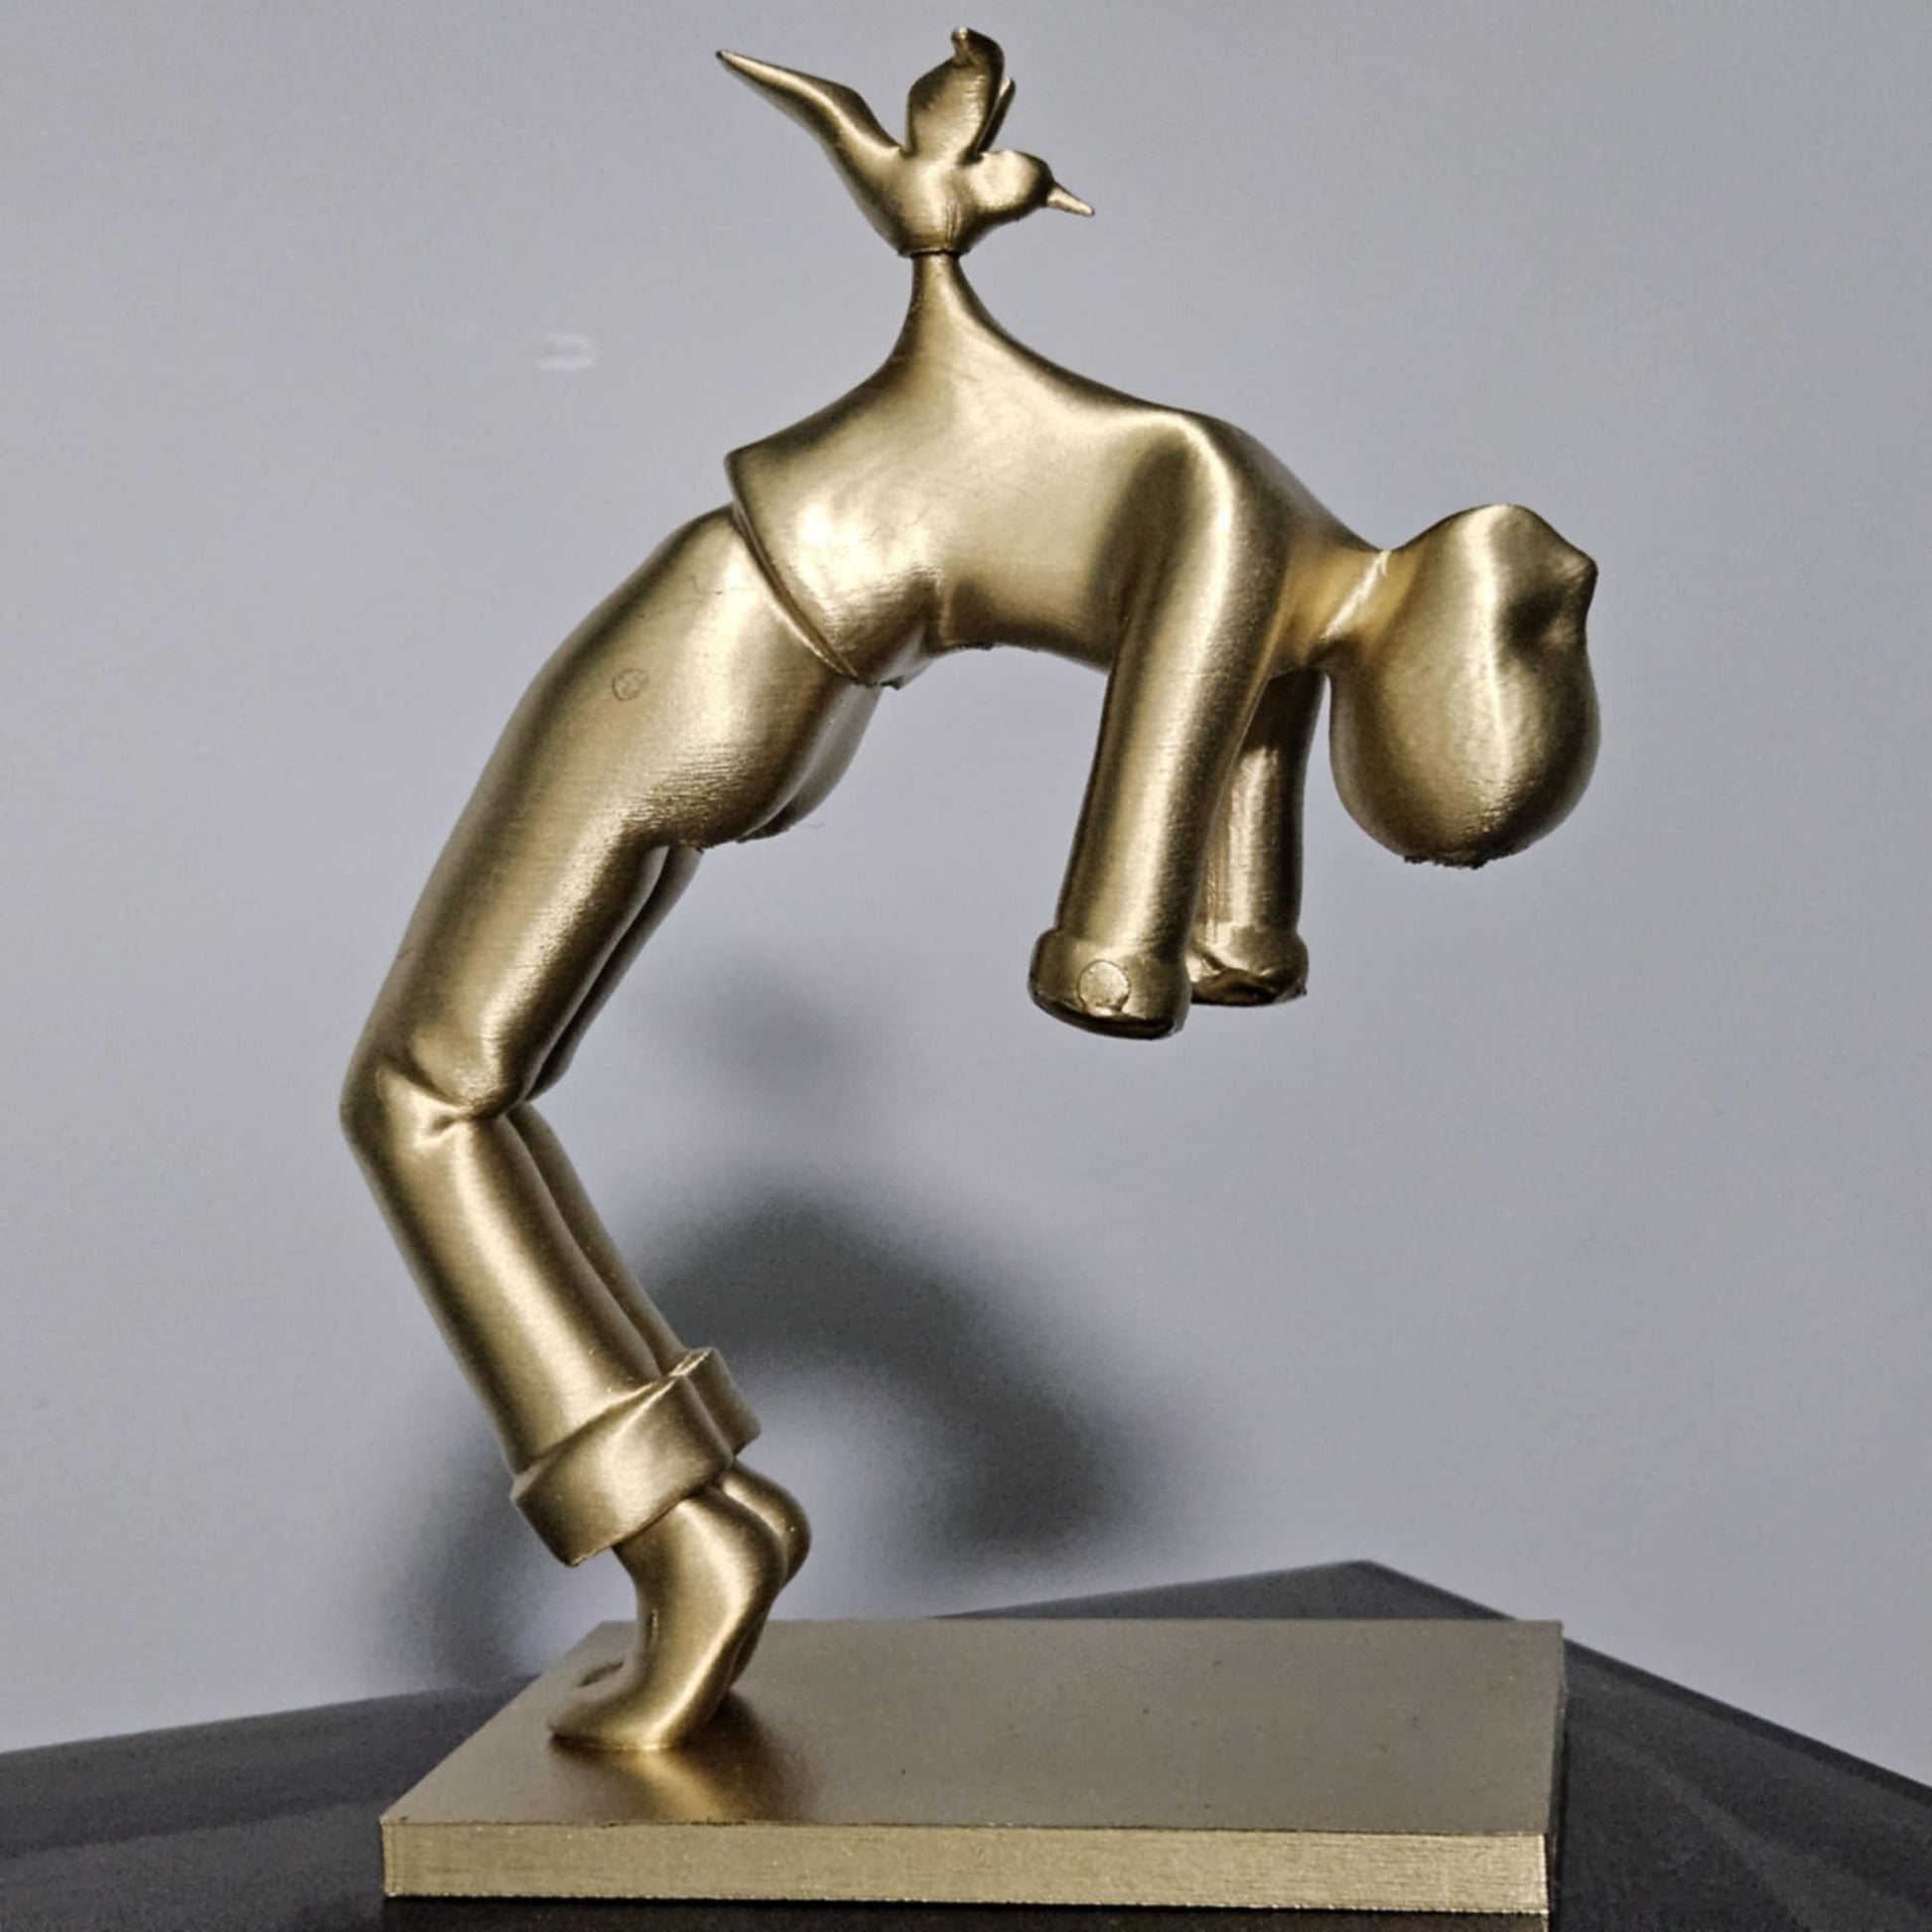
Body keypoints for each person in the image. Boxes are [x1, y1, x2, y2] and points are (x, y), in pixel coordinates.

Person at [342, 28, 1598, 1750]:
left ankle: (683, 1535)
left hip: (726, 637)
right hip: (780, 672)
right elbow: (1222, 717)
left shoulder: (1228, 499)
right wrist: (1235, 933)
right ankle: (707, 1510)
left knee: (422, 1095)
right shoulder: (1279, 557)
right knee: (477, 1096)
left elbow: (1167, 733)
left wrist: (1113, 944)